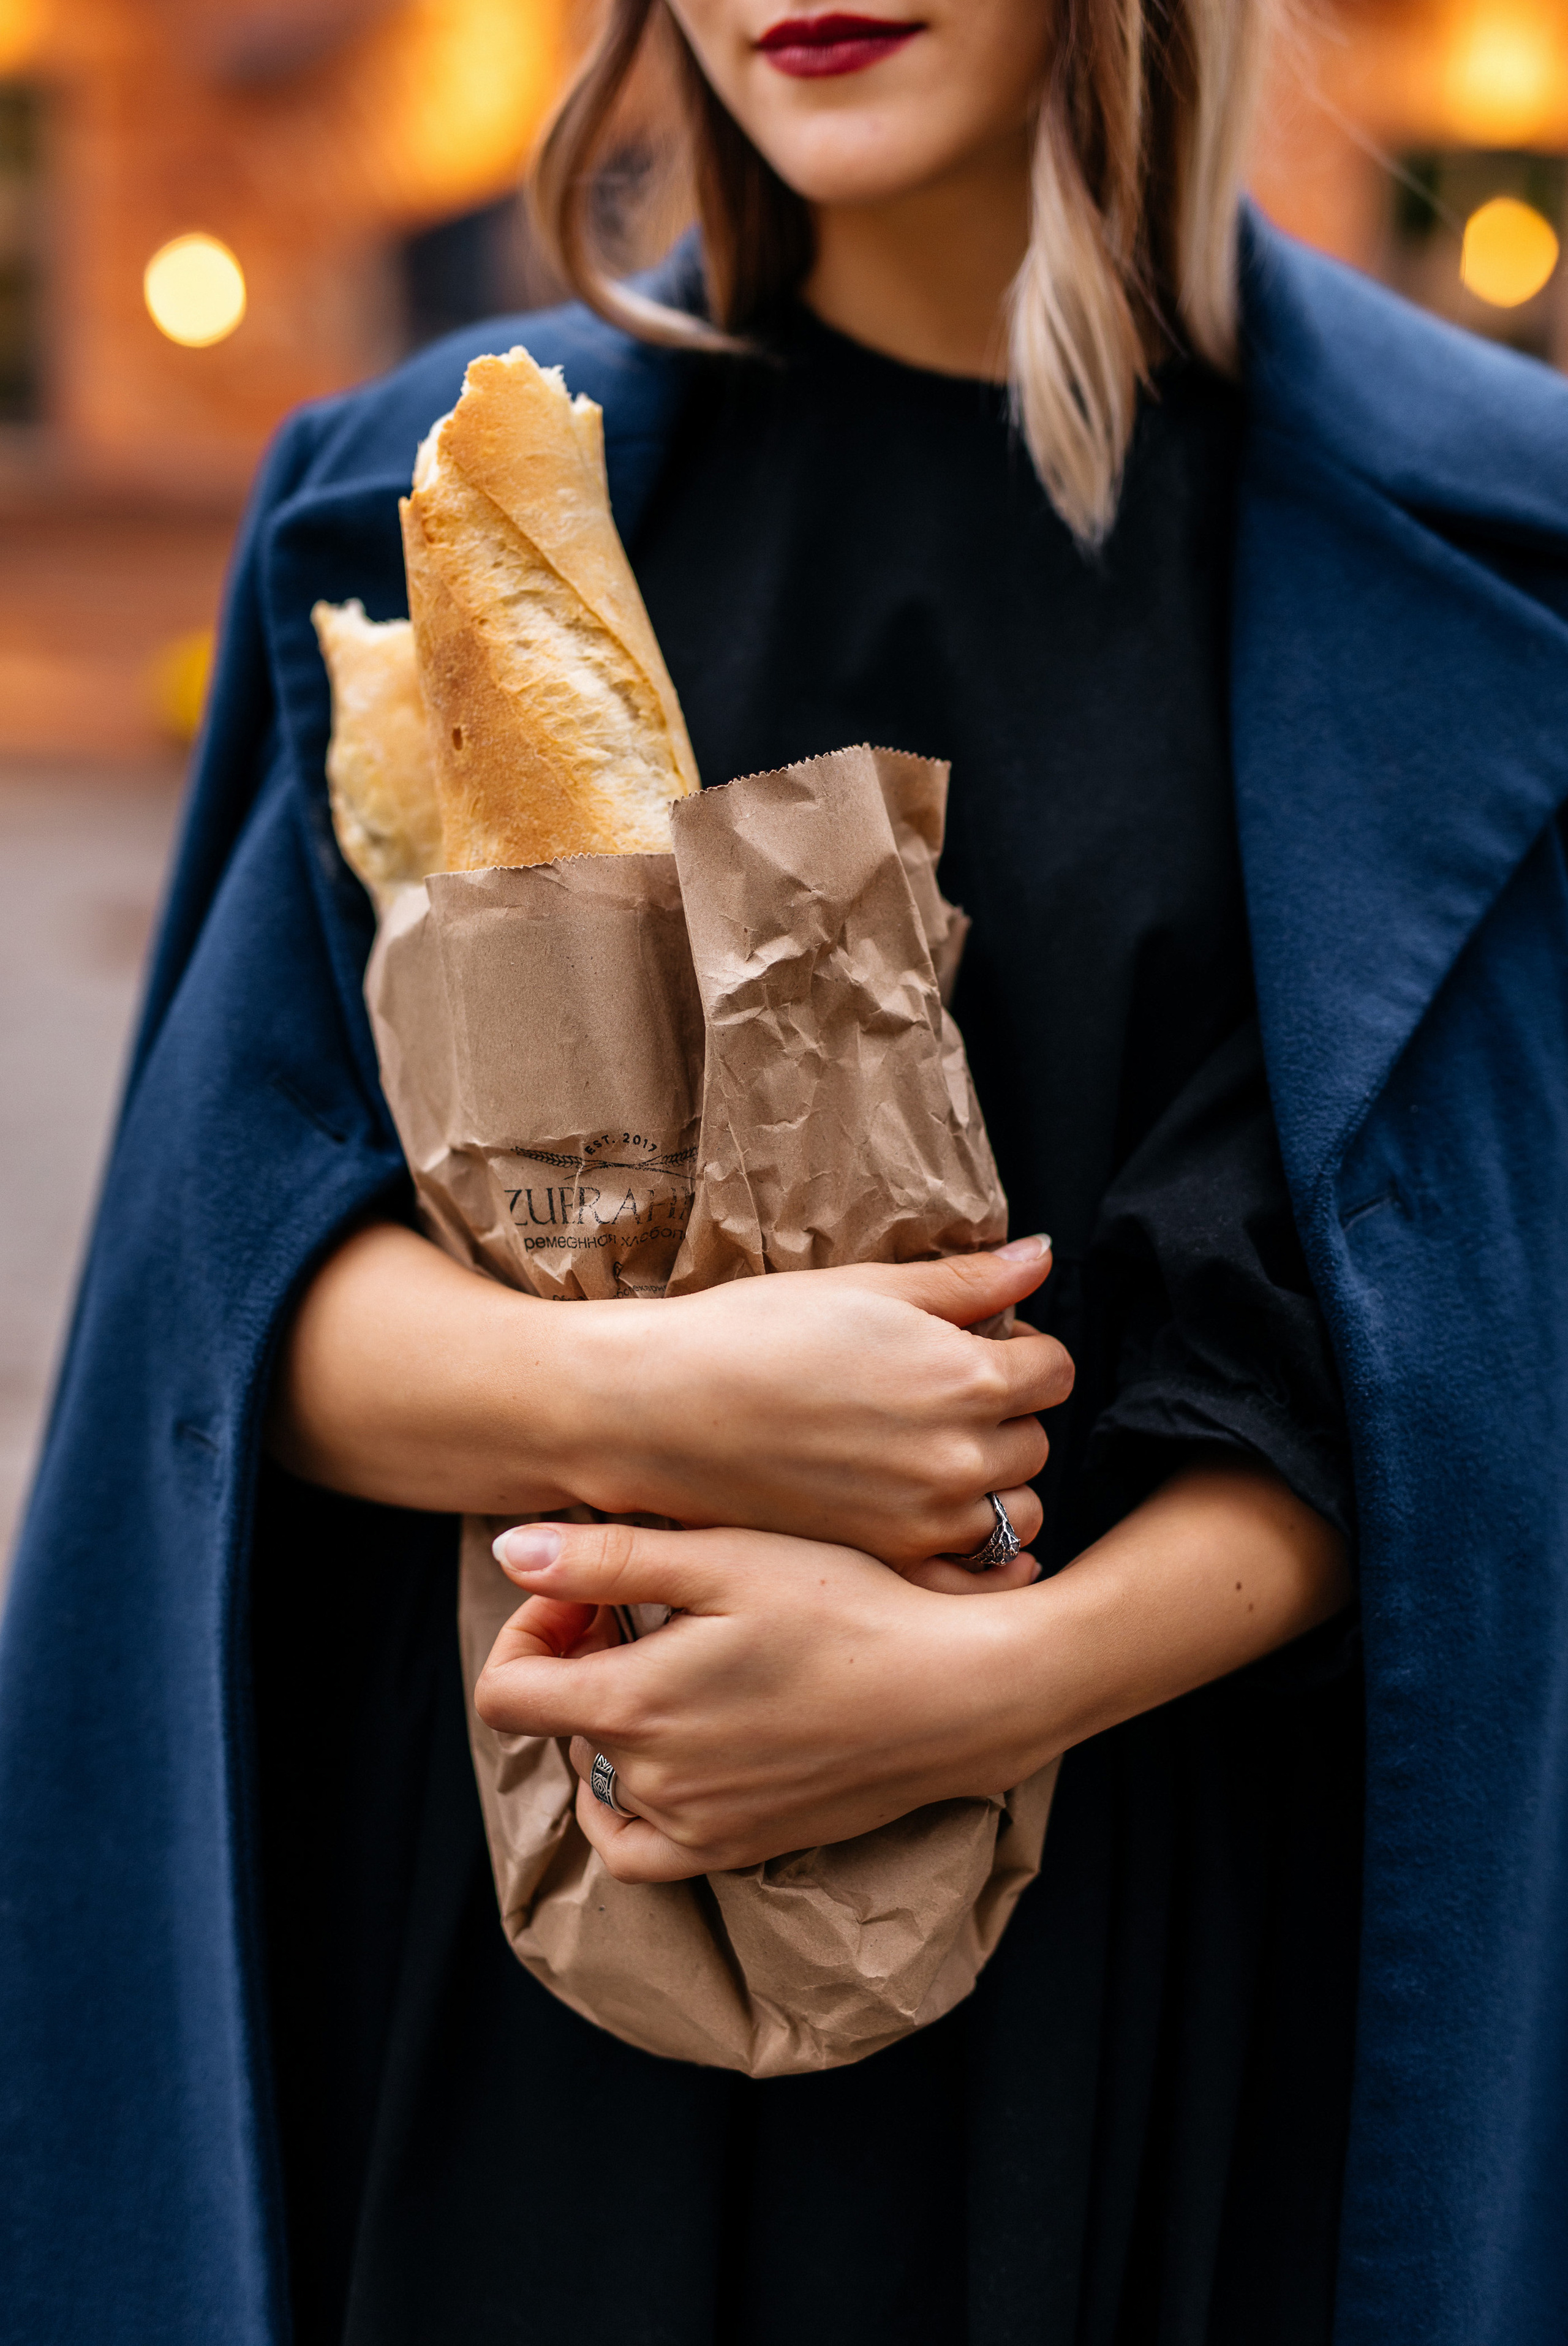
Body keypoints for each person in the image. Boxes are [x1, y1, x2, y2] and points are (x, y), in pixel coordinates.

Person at [1, 2, 1565, 2342]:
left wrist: (1000, 1681)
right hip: (531, 1996)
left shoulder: (1481, 554)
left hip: (1178, 2019)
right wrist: (669, 1403)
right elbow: (220, 1306)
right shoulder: (417, 504)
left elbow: (1459, 1348)